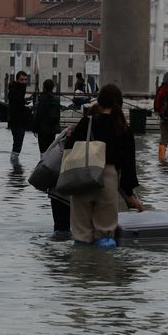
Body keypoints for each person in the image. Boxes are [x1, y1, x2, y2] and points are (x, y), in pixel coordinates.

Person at [64, 83, 144, 247]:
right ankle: (105, 269)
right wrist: (129, 195)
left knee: (81, 237)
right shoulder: (123, 128)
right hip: (107, 179)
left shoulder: (86, 122)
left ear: (99, 102)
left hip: (81, 178)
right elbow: (129, 166)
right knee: (106, 237)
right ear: (120, 104)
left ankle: (79, 268)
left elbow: (69, 148)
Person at [6, 70, 31, 157]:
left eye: (25, 80)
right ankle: (14, 160)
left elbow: (20, 102)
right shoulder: (14, 90)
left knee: (19, 141)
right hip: (15, 120)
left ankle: (15, 160)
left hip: (20, 119)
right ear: (17, 80)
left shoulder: (20, 89)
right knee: (18, 140)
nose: (24, 82)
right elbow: (17, 103)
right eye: (22, 80)